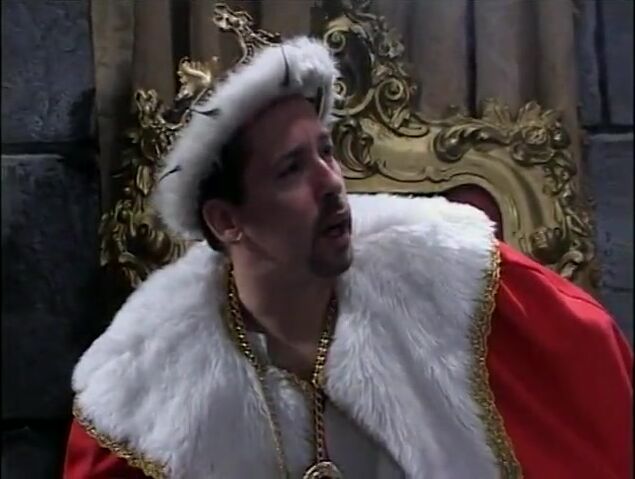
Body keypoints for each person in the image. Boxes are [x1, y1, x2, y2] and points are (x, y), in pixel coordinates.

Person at [63, 36, 632, 479]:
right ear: (227, 221)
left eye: (326, 152)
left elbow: (588, 369)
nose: (332, 183)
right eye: (291, 170)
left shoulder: (452, 275)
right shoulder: (146, 384)